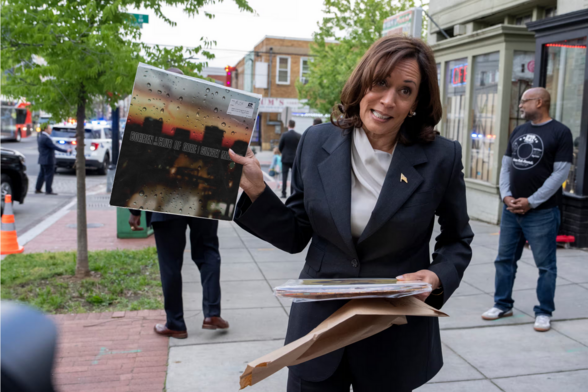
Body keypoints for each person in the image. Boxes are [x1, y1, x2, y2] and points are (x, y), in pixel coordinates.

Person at [229, 35, 473, 392]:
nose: (388, 100)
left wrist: (435, 277)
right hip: (317, 334)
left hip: (392, 338)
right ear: (363, 83)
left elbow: (457, 240)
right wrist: (256, 191)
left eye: (405, 91)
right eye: (380, 83)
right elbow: (296, 233)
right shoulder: (316, 142)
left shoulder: (442, 157)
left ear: (417, 102)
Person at [128, 67, 229, 340]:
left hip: (163, 199)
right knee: (208, 251)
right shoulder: (207, 113)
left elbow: (141, 163)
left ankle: (176, 323)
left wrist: (134, 209)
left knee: (170, 263)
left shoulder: (151, 113)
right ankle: (211, 312)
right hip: (202, 196)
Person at [482, 88, 573, 333]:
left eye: (524, 101)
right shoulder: (519, 131)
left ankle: (544, 312)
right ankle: (502, 304)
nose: (520, 105)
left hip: (542, 213)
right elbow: (506, 167)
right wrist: (506, 195)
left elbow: (560, 173)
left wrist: (531, 201)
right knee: (504, 261)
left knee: (545, 266)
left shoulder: (560, 132)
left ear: (540, 102)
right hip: (511, 211)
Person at [35, 123, 70, 195]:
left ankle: (38, 189)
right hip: (48, 160)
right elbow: (54, 147)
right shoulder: (46, 138)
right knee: (49, 175)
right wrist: (66, 151)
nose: (51, 129)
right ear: (45, 129)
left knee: (41, 175)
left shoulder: (41, 137)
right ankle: (48, 190)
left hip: (42, 159)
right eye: (49, 128)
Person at [278, 119, 301, 198]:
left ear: (288, 125)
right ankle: (292, 193)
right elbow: (300, 148)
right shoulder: (298, 135)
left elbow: (280, 146)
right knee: (293, 177)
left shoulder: (284, 135)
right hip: (295, 159)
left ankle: (283, 193)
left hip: (285, 158)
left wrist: (283, 153)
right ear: (294, 125)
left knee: (284, 176)